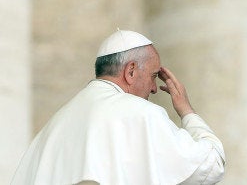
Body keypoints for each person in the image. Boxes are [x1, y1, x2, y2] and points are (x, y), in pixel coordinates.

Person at [11, 30, 226, 185]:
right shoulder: (142, 115)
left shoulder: (53, 127)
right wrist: (186, 110)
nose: (153, 89)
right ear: (130, 71)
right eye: (153, 77)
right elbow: (210, 166)